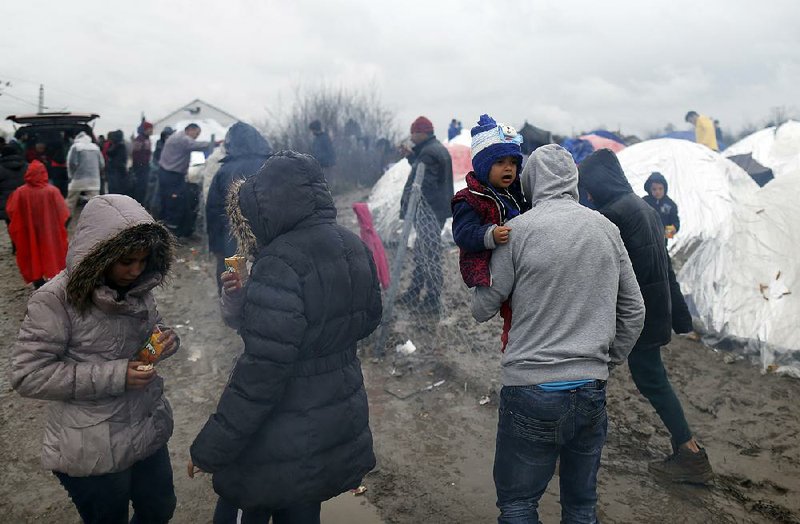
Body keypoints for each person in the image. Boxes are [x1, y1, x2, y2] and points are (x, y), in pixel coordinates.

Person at [189, 151, 382, 523]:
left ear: (269, 205)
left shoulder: (279, 261)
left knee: (253, 500)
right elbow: (370, 317)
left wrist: (210, 448)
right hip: (336, 409)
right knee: (306, 503)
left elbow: (262, 372)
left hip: (283, 422)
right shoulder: (353, 245)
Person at [472, 144, 645, 522]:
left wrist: (475, 261)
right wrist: (604, 361)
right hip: (590, 388)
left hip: (530, 388)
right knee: (581, 506)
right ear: (574, 180)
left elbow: (482, 309)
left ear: (531, 181)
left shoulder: (516, 232)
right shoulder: (606, 229)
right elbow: (634, 309)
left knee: (519, 503)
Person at [10, 194, 179, 524]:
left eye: (144, 260)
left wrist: (164, 339)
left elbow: (151, 326)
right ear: (100, 255)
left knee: (160, 508)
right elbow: (27, 374)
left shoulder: (141, 285)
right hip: (92, 444)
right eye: (127, 261)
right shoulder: (55, 300)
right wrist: (115, 376)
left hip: (145, 427)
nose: (135, 270)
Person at [578, 148, 714, 483]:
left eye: (589, 187)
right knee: (651, 378)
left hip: (630, 313)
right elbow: (666, 268)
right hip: (653, 309)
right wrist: (680, 317)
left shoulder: (612, 215)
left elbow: (602, 273)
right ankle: (689, 450)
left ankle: (690, 455)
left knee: (594, 371)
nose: (588, 194)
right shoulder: (646, 208)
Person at [452, 114, 529, 350]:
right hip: (490, 267)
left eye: (513, 163)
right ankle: (513, 346)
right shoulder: (470, 199)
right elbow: (463, 233)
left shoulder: (517, 192)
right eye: (500, 163)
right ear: (484, 165)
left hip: (519, 263)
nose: (509, 168)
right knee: (512, 316)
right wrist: (490, 235)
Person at [205, 122, 271, 294]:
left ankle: (234, 310)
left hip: (232, 240)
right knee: (268, 280)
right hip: (270, 237)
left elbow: (213, 210)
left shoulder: (224, 171)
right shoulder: (272, 165)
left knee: (235, 283)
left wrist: (216, 247)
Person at [399, 116, 454, 312]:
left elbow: (425, 185)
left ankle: (431, 300)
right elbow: (426, 171)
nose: (411, 137)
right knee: (422, 252)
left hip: (428, 212)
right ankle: (414, 293)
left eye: (413, 133)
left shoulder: (429, 153)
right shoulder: (433, 149)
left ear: (422, 133)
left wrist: (412, 204)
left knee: (428, 255)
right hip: (435, 210)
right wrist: (412, 156)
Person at [643, 172, 695, 336]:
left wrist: (672, 229)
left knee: (664, 272)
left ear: (664, 188)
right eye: (654, 189)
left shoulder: (670, 205)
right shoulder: (645, 202)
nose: (657, 191)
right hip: (646, 243)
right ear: (649, 189)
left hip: (662, 244)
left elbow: (675, 222)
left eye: (660, 188)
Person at [6, 160, 69, 288]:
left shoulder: (20, 192)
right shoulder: (52, 191)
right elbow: (64, 213)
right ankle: (54, 281)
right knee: (52, 252)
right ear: (44, 173)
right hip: (49, 231)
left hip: (29, 231)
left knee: (32, 254)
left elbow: (11, 211)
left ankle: (38, 282)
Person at [157, 123, 212, 236]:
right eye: (196, 133)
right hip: (172, 175)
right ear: (190, 130)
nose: (196, 136)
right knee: (174, 202)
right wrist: (214, 143)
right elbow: (197, 145)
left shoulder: (177, 136)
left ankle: (174, 229)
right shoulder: (182, 139)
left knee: (173, 201)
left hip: (169, 174)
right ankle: (172, 232)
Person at [65, 131, 105, 217]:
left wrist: (71, 176)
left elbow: (72, 163)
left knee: (70, 202)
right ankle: (96, 220)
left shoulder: (75, 147)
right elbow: (102, 164)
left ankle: (66, 220)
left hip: (78, 179)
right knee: (95, 203)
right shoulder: (96, 147)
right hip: (94, 180)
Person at [0, 144, 28, 251]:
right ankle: (26, 243)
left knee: (11, 225)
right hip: (24, 201)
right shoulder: (26, 166)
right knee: (25, 224)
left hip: (7, 203)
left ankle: (15, 245)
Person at [131, 121, 154, 205]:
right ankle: (138, 203)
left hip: (145, 166)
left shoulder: (146, 138)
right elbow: (135, 154)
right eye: (150, 129)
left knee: (144, 187)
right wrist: (138, 166)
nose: (152, 130)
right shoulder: (140, 139)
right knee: (140, 187)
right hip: (140, 167)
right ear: (145, 129)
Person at [104, 130, 130, 196]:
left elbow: (108, 152)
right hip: (118, 171)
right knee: (118, 190)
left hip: (114, 170)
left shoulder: (115, 145)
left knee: (113, 190)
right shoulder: (121, 146)